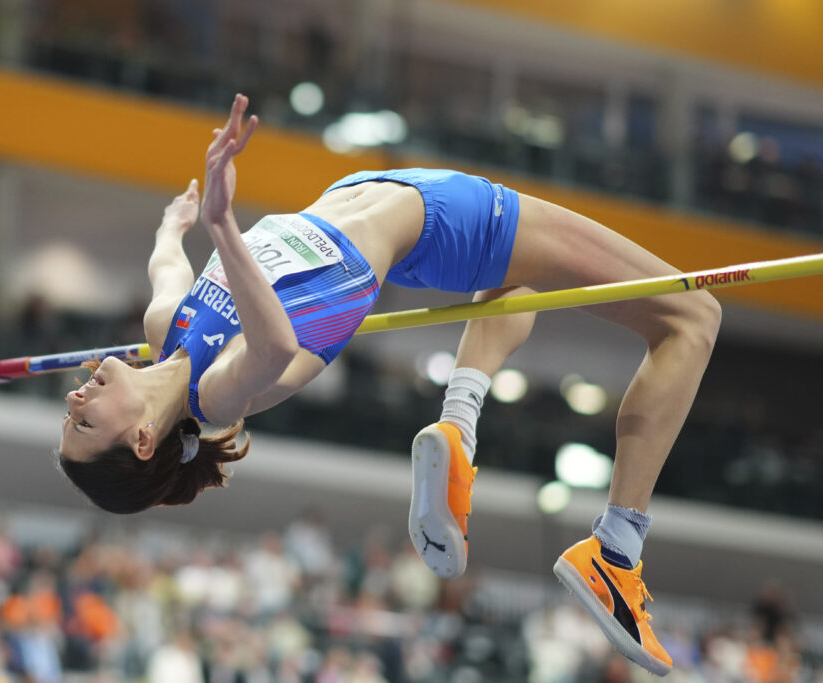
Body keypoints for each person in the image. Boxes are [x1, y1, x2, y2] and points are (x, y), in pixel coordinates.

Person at [58, 94, 721, 676]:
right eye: (84, 422)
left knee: (518, 286)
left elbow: (166, 265)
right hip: (440, 222)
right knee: (694, 315)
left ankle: (459, 427)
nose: (74, 398)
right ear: (145, 439)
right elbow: (275, 344)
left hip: (383, 191)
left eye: (71, 411)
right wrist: (222, 224)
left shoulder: (164, 323)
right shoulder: (220, 396)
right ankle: (616, 551)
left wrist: (174, 225)